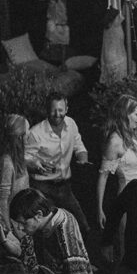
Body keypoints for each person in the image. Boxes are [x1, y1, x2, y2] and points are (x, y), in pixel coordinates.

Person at [25, 92, 91, 234]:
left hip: (64, 188)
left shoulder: (71, 124)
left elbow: (79, 145)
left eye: (60, 110)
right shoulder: (36, 133)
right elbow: (24, 159)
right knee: (49, 231)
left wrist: (82, 158)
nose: (57, 114)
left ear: (66, 109)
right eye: (53, 110)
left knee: (82, 226)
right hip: (43, 188)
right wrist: (36, 164)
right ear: (47, 110)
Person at [96, 95, 137, 230]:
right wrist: (99, 209)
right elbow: (103, 176)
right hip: (126, 197)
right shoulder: (114, 142)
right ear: (125, 115)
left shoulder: (131, 133)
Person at [0, 114, 31, 229]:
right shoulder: (6, 164)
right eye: (28, 130)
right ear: (20, 137)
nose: (30, 134)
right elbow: (1, 201)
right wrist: (8, 230)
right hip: (12, 225)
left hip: (21, 219)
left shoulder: (17, 157)